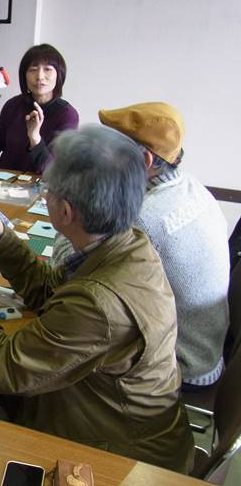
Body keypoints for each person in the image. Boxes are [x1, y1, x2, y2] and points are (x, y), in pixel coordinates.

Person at [0, 125, 194, 473]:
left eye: (47, 191)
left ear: (67, 212)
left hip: (117, 458)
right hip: (122, 422)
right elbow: (53, 293)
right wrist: (1, 240)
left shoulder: (99, 302)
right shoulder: (125, 241)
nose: (44, 196)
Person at [97, 102, 230, 387]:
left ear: (145, 160)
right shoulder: (194, 187)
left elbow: (83, 281)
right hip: (209, 352)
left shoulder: (144, 219)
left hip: (180, 366)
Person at [0, 44, 79, 173]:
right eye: (33, 69)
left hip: (41, 188)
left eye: (47, 69)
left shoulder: (67, 115)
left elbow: (53, 169)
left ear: (59, 75)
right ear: (24, 75)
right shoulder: (12, 105)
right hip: (5, 183)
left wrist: (35, 138)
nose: (40, 76)